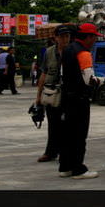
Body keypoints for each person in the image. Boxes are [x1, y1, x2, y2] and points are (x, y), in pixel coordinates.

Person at [59, 23, 101, 179]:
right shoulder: (83, 53)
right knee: (79, 135)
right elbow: (89, 80)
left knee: (67, 134)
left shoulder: (67, 49)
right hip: (79, 99)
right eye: (94, 37)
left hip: (66, 97)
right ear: (89, 37)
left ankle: (65, 167)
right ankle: (78, 169)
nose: (95, 41)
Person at [35, 25, 72, 162]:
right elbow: (43, 73)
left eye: (67, 36)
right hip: (52, 92)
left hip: (67, 93)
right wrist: (38, 96)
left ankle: (65, 152)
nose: (65, 39)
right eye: (62, 36)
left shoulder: (72, 51)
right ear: (55, 38)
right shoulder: (49, 52)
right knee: (53, 123)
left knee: (66, 125)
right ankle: (50, 152)